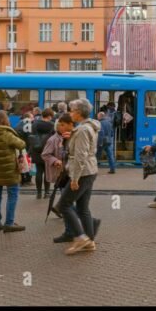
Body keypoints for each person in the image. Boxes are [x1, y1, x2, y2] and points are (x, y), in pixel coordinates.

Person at [58, 98, 101, 255]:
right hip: (90, 170)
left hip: (82, 173)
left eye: (72, 111)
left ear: (78, 113)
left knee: (63, 205)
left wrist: (75, 178)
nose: (70, 114)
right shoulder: (90, 126)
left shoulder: (82, 130)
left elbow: (80, 156)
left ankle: (81, 238)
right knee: (83, 208)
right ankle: (90, 241)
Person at [42, 113, 77, 226]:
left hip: (70, 172)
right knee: (67, 196)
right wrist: (55, 161)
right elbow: (45, 154)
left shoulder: (71, 137)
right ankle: (72, 219)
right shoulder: (53, 140)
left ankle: (62, 210)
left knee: (68, 196)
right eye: (60, 125)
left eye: (63, 125)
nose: (62, 127)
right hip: (61, 174)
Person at [28, 108, 55, 198]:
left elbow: (32, 136)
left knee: (39, 171)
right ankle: (46, 193)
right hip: (48, 151)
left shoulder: (35, 124)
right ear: (49, 116)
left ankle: (38, 193)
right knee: (47, 172)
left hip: (36, 150)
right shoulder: (52, 125)